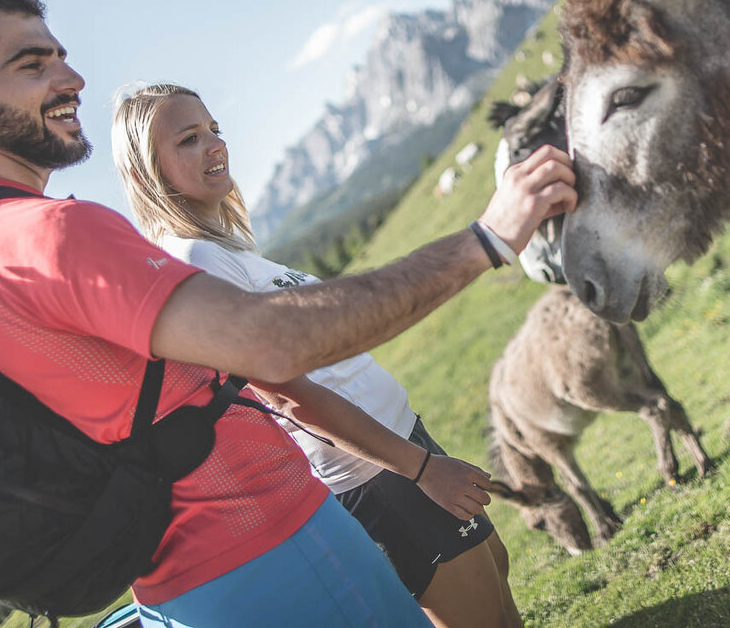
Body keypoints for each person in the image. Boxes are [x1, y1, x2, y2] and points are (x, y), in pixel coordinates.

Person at [0, 0, 576, 627]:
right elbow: (272, 351)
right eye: (30, 64)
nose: (71, 79)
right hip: (267, 545)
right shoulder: (46, 233)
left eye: (62, 58)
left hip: (191, 577)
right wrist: (483, 241)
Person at [111, 82, 523, 627]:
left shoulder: (223, 249)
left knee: (495, 576)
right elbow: (287, 396)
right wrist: (421, 469)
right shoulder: (193, 259)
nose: (214, 145)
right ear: (147, 173)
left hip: (398, 447)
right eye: (189, 139)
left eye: (215, 129)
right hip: (374, 474)